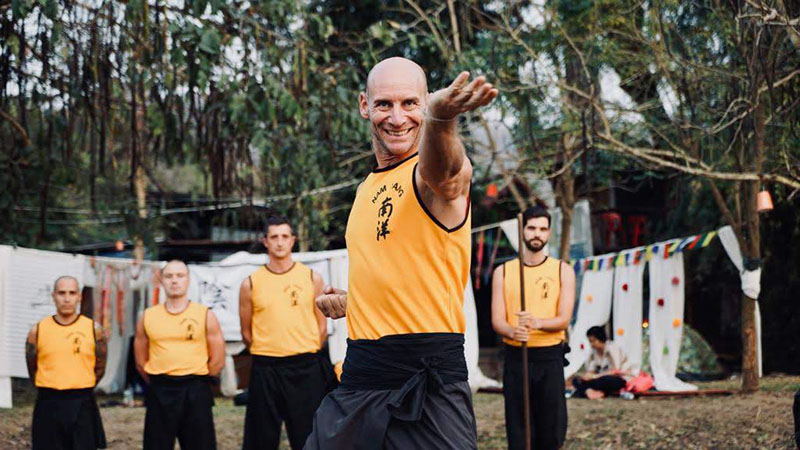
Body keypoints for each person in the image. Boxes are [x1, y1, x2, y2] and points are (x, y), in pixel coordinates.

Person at [306, 57, 498, 450]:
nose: (397, 118)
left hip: (428, 385)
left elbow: (446, 173)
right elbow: (406, 269)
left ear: (427, 103)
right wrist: (355, 303)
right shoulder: (365, 189)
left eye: (411, 104)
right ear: (364, 106)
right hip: (361, 377)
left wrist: (442, 120)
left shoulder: (429, 176)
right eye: (384, 105)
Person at [239, 215, 334, 450]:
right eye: (274, 237)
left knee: (309, 437)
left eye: (284, 236)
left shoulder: (312, 278)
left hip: (305, 368)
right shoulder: (251, 283)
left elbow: (321, 326)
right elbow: (246, 331)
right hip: (266, 368)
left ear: (292, 240)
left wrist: (302, 348)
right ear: (265, 242)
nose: (279, 242)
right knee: (260, 437)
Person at [491, 204, 576, 450]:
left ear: (549, 233)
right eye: (531, 228)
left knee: (551, 427)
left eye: (542, 229)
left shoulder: (562, 270)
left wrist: (536, 322)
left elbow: (563, 319)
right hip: (517, 358)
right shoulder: (503, 272)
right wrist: (511, 330)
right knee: (519, 427)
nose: (537, 234)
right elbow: (497, 321)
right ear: (522, 230)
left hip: (550, 356)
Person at [133, 260, 225, 450]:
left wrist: (199, 381)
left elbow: (217, 359)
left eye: (180, 276)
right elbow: (141, 360)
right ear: (161, 281)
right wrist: (159, 381)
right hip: (161, 390)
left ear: (188, 280)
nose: (174, 281)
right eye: (169, 276)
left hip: (195, 390)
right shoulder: (147, 316)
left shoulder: (205, 315)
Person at [26, 275, 108, 450]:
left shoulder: (94, 330)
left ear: (79, 296)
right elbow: (32, 366)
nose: (67, 298)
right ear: (53, 296)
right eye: (61, 293)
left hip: (82, 402)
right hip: (49, 401)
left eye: (72, 293)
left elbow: (100, 366)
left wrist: (81, 383)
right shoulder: (38, 330)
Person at [571, 326, 633, 399]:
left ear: (600, 339)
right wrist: (587, 376)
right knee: (576, 380)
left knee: (605, 380)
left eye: (593, 341)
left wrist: (595, 376)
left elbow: (615, 371)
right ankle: (590, 391)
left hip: (617, 378)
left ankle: (587, 391)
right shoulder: (593, 352)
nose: (591, 344)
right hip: (600, 378)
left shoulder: (612, 348)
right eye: (590, 341)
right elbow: (591, 370)